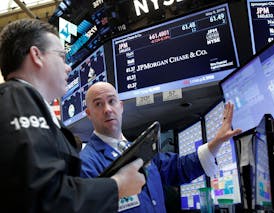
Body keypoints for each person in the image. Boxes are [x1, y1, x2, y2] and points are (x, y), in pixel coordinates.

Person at [0, 18, 146, 212]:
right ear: (36, 55)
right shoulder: (17, 96)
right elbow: (44, 196)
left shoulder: (28, 106)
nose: (68, 66)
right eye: (61, 57)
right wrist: (117, 186)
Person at [80, 81, 242, 212]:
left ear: (120, 107)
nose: (107, 109)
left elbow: (179, 168)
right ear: (89, 113)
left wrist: (216, 143)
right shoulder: (85, 164)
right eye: (99, 104)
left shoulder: (141, 151)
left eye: (111, 101)